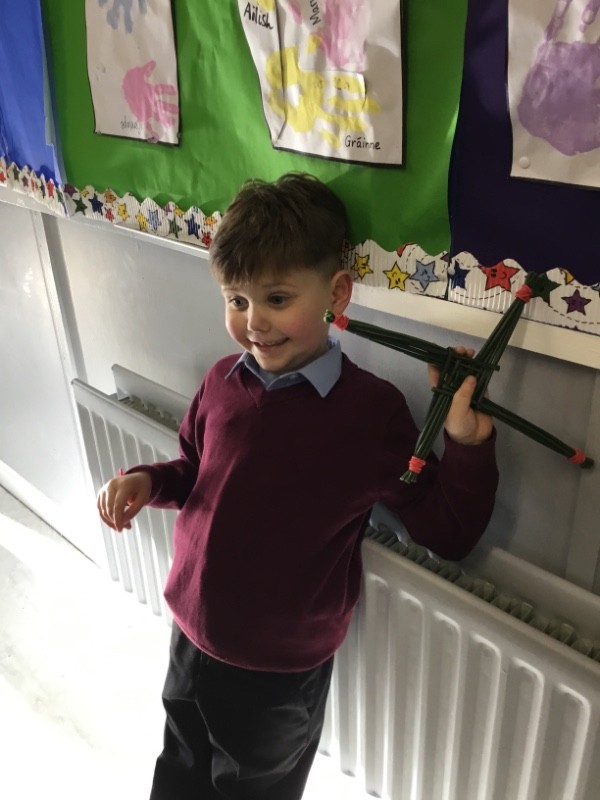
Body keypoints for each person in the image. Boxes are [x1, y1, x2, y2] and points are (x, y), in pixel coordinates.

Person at [97, 172, 498, 800]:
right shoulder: (221, 381)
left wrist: (467, 441)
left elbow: (447, 530)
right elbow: (195, 472)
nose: (254, 322)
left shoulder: (370, 413)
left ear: (336, 292)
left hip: (277, 674)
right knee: (178, 772)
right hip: (191, 638)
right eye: (236, 300)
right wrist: (150, 481)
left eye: (277, 298)